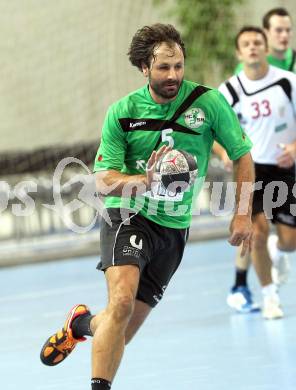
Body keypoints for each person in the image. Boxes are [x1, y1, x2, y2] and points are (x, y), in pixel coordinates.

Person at [39, 24, 253, 389]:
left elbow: (242, 155)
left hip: (174, 227)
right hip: (129, 214)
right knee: (120, 303)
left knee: (119, 331)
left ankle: (80, 324)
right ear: (144, 68)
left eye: (179, 66)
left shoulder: (208, 103)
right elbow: (103, 180)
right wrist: (143, 182)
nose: (173, 75)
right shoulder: (122, 113)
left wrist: (243, 211)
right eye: (163, 68)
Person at [219, 26, 296, 319]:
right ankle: (269, 296)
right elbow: (209, 132)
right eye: (246, 44)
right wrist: (223, 150)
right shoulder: (228, 92)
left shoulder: (288, 83)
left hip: (285, 168)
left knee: (290, 242)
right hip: (250, 170)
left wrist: (294, 147)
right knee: (258, 233)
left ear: (265, 48)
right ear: (239, 53)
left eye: (257, 43)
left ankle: (280, 249)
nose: (252, 47)